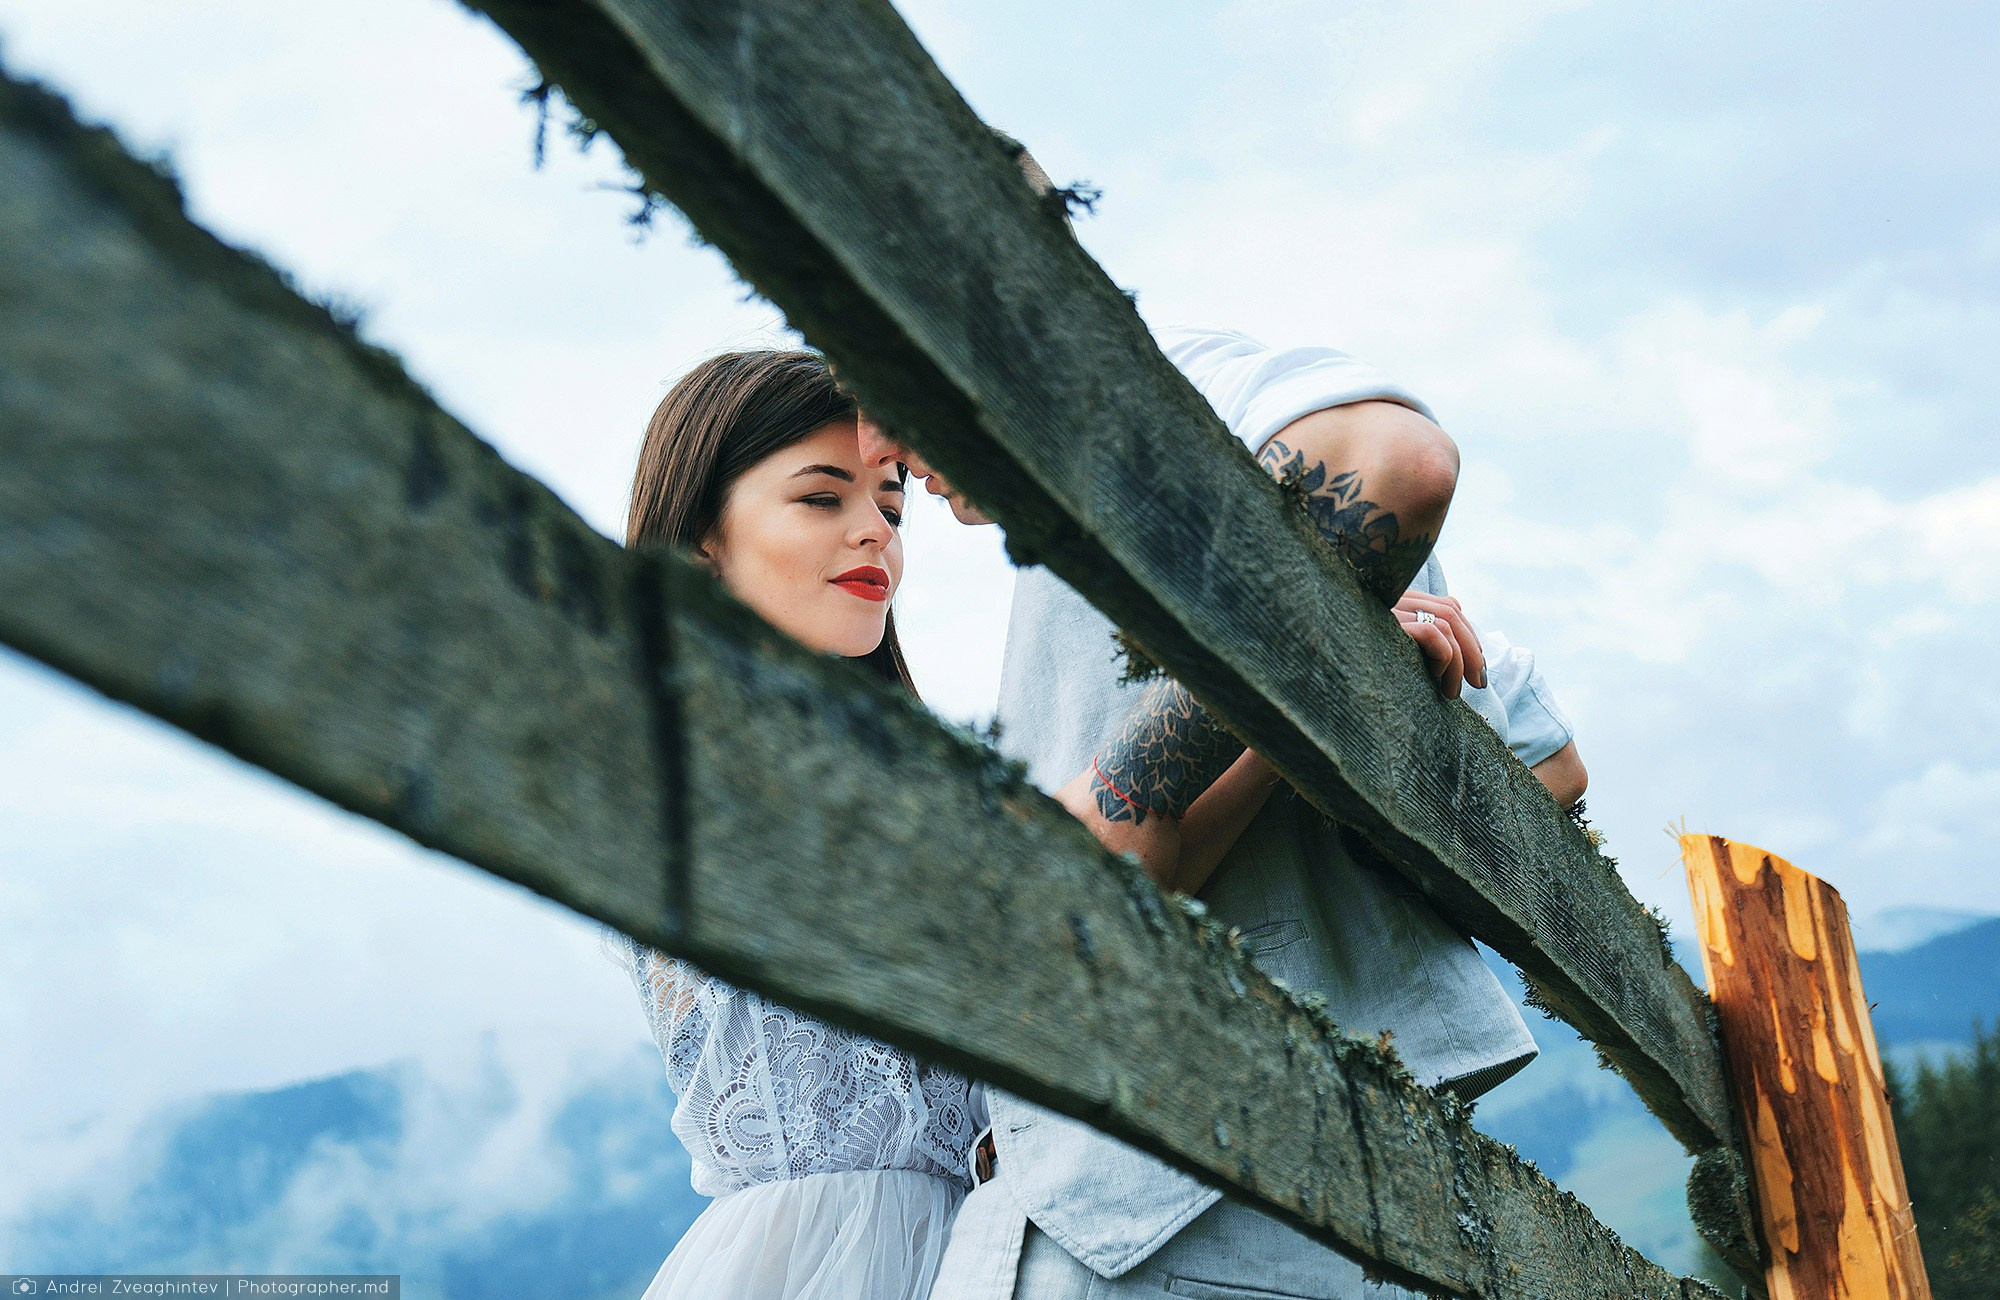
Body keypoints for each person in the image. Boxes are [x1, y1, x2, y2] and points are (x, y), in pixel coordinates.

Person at [855, 219, 1584, 1296]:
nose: (881, 455)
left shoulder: (1146, 420)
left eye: (867, 377)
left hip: (1173, 1205)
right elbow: (1544, 758)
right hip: (1209, 1189)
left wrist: (1210, 749)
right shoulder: (1144, 514)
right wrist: (1322, 701)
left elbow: (1398, 463)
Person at [608, 349, 976, 1300]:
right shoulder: (699, 771)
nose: (876, 536)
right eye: (824, 499)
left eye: (893, 509)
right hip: (814, 1266)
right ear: (700, 540)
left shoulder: (903, 777)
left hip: (980, 1251)